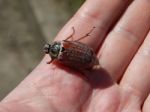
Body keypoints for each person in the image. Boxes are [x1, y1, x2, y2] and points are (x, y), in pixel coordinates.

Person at [0, 0, 150, 111]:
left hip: (87, 58)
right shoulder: (60, 52)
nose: (49, 48)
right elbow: (74, 41)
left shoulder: (58, 58)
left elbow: (74, 43)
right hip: (87, 57)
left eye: (49, 49)